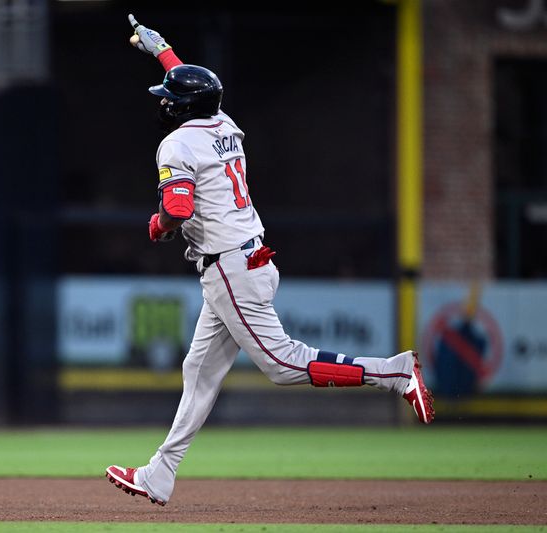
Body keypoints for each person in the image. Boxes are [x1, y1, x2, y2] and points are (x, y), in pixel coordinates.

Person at [105, 15, 435, 507]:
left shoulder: (176, 143)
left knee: (283, 364)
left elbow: (176, 209)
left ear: (183, 106)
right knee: (199, 372)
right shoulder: (225, 123)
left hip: (231, 268)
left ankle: (393, 372)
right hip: (243, 261)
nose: (164, 101)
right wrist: (163, 50)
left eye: (168, 97)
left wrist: (158, 226)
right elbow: (201, 93)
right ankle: (160, 473)